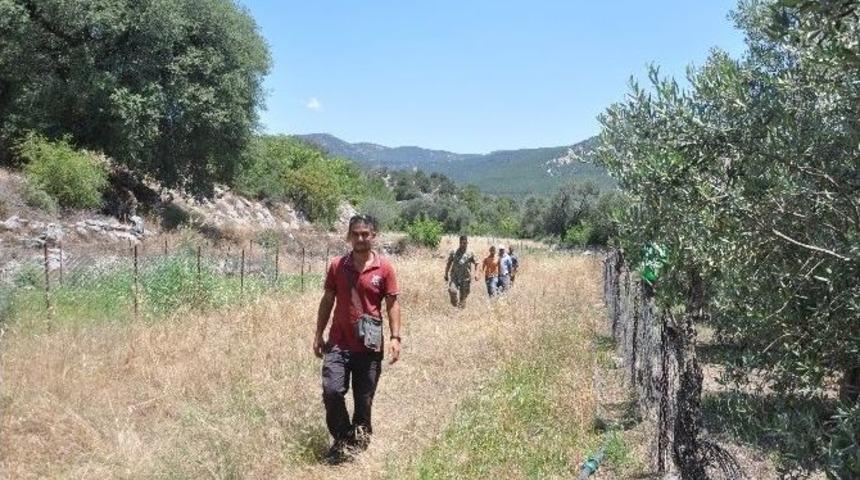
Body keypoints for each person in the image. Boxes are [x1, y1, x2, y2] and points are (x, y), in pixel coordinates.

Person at [314, 214, 402, 464]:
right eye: (356, 234)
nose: (361, 238)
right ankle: (342, 440)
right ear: (349, 236)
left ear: (374, 236)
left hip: (369, 347)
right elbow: (328, 300)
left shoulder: (384, 268)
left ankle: (358, 443)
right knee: (332, 391)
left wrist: (396, 337)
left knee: (364, 402)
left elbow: (393, 304)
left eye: (366, 234)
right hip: (339, 343)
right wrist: (318, 333)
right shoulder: (337, 266)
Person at [444, 235, 478, 308]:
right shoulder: (454, 252)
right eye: (461, 243)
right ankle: (455, 304)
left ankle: (459, 313)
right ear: (459, 243)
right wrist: (446, 274)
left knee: (463, 299)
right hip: (455, 276)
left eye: (464, 243)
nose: (463, 245)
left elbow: (476, 263)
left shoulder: (470, 252)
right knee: (452, 290)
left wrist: (476, 274)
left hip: (465, 278)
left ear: (467, 243)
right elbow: (449, 263)